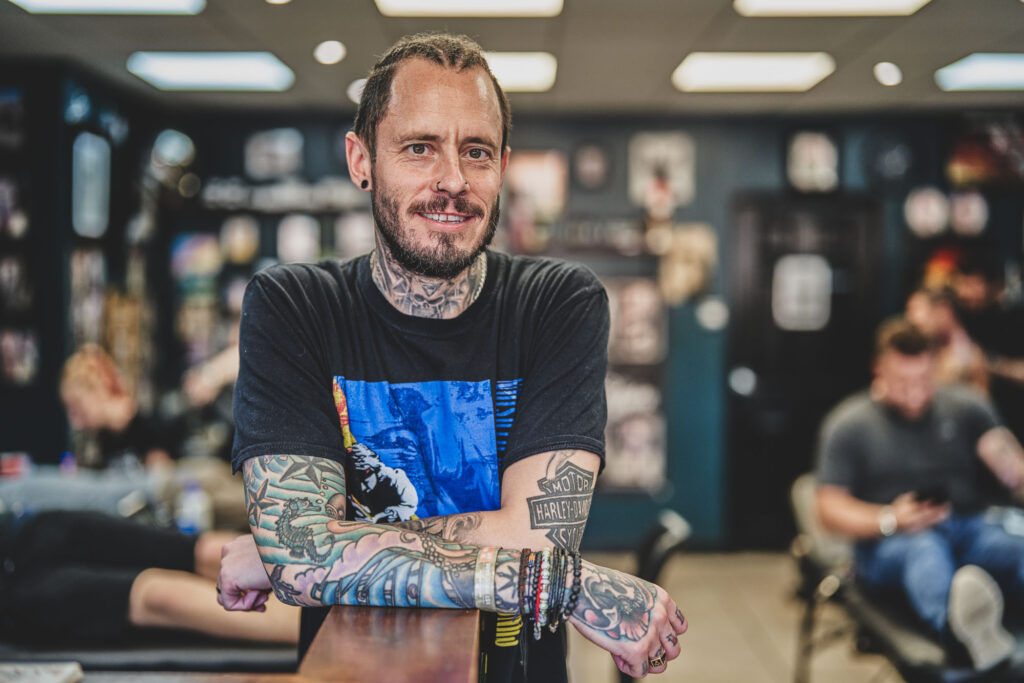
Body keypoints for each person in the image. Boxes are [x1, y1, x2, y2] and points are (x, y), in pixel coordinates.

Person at [217, 32, 687, 682]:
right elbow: (303, 556)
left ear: (503, 166)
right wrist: (563, 584)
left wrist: (330, 540)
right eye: (419, 148)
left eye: (477, 152)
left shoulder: (556, 303)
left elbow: (539, 539)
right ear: (362, 160)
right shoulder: (295, 306)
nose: (453, 181)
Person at [815, 318, 1024, 671]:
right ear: (878, 370)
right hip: (892, 539)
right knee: (924, 551)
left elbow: (1011, 467)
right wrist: (890, 518)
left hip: (967, 527)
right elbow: (828, 507)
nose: (915, 394)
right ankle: (960, 633)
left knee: (1010, 547)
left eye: (924, 382)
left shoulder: (965, 407)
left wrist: (1014, 472)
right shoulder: (849, 424)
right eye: (903, 383)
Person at [0, 510, 298, 645]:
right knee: (160, 598)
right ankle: (322, 621)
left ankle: (325, 579)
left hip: (24, 530)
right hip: (14, 597)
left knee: (203, 551)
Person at [60, 344, 180, 468]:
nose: (75, 422)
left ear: (99, 389)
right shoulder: (102, 439)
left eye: (77, 407)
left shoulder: (154, 429)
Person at [904, 286, 989, 396]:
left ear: (943, 311)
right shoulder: (919, 351)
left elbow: (978, 408)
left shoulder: (972, 358)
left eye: (916, 309)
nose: (911, 319)